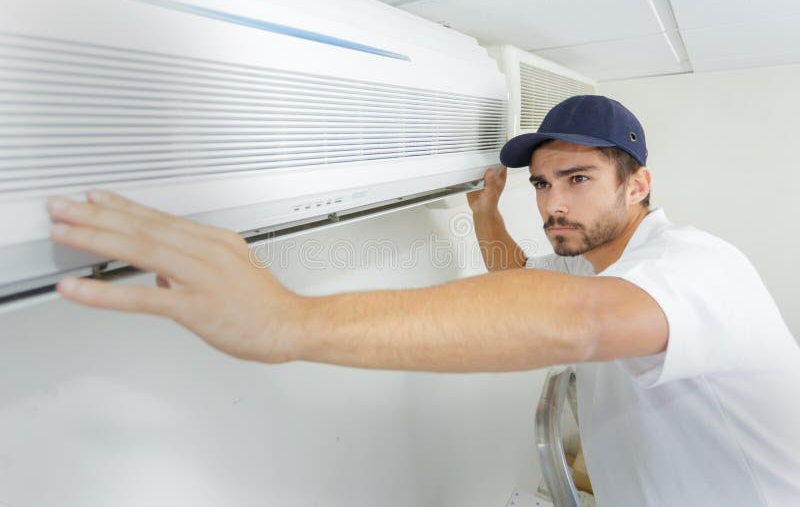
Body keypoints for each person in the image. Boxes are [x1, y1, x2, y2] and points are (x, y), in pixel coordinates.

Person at [46, 95, 800, 506]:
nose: (552, 202)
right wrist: (482, 217)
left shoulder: (697, 264)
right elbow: (526, 286)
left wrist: (288, 320)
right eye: (542, 183)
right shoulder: (599, 264)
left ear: (638, 186)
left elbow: (581, 321)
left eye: (577, 179)